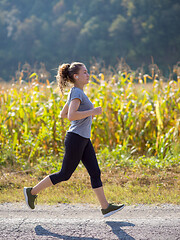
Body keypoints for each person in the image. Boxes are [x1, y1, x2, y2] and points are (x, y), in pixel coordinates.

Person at [23, 62, 124, 217]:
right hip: (76, 139)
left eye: (87, 71)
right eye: (84, 72)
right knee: (64, 174)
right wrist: (92, 111)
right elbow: (70, 116)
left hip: (83, 139)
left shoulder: (75, 93)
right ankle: (32, 192)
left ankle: (105, 207)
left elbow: (63, 114)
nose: (88, 74)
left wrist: (84, 114)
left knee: (95, 172)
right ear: (76, 76)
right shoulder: (76, 93)